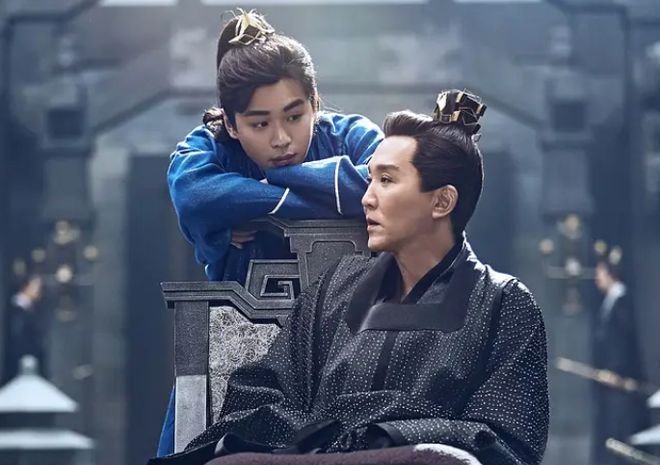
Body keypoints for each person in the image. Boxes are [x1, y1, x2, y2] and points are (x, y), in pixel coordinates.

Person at [150, 90, 549, 465]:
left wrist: (384, 433)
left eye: (386, 180)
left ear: (442, 201)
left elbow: (505, 441)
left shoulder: (503, 304)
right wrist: (336, 438)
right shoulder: (337, 287)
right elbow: (257, 395)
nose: (367, 198)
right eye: (370, 178)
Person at [159, 9, 383, 456]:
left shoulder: (350, 134)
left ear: (314, 102)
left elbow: (386, 182)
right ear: (230, 123)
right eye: (259, 124)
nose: (281, 139)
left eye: (295, 116)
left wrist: (260, 195)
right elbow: (195, 194)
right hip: (240, 341)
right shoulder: (209, 147)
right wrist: (322, 196)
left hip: (349, 340)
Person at [592, 254, 648, 465]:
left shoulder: (622, 302)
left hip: (621, 382)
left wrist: (617, 372)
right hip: (611, 381)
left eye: (600, 272)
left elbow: (624, 343)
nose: (597, 278)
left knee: (621, 432)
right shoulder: (611, 302)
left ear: (610, 274)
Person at [3, 274, 46, 383]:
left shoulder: (30, 309)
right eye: (35, 286)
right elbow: (17, 337)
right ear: (26, 287)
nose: (39, 291)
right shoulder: (16, 311)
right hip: (20, 365)